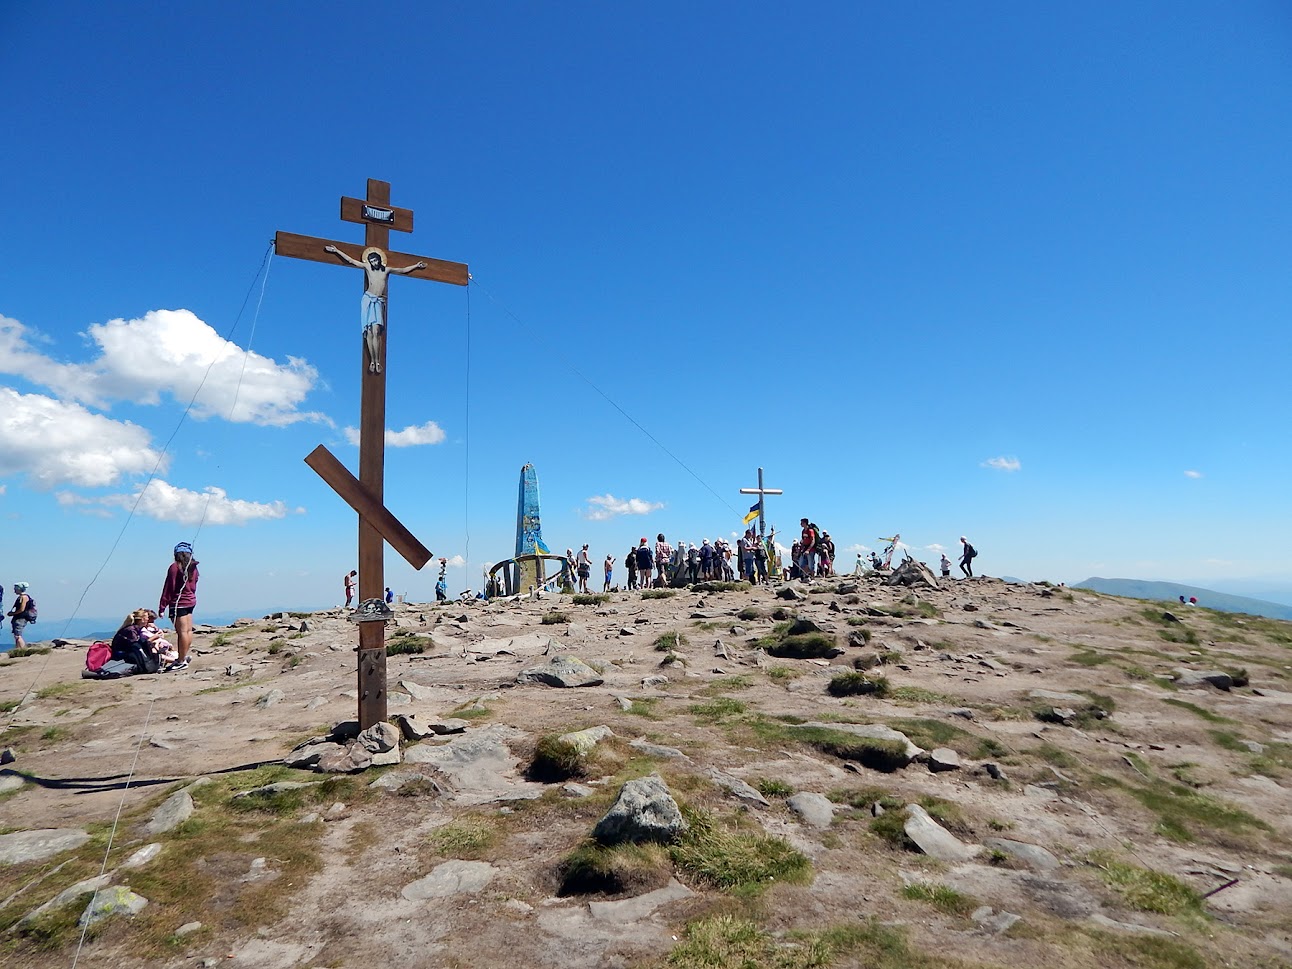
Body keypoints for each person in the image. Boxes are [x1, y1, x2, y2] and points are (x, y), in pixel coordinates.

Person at [324, 245, 428, 373]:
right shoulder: (368, 267)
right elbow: (351, 261)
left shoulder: (386, 270)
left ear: (379, 259)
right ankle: (372, 361)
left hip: (378, 301)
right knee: (369, 331)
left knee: (376, 330)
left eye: (375, 260)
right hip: (368, 299)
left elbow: (402, 270)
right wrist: (336, 251)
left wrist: (416, 266)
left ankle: (377, 360)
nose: (374, 263)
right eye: (372, 261)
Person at [158, 541, 199, 672]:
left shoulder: (175, 567)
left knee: (182, 632)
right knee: (188, 631)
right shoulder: (193, 567)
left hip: (178, 603)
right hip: (190, 601)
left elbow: (169, 587)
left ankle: (181, 661)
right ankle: (183, 657)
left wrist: (162, 606)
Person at [7, 583, 33, 652]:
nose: (14, 591)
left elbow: (22, 609)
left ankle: (23, 650)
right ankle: (18, 650)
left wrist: (13, 613)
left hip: (20, 618)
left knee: (18, 636)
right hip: (19, 618)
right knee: (16, 635)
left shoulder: (23, 597)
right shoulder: (23, 597)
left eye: (15, 589)